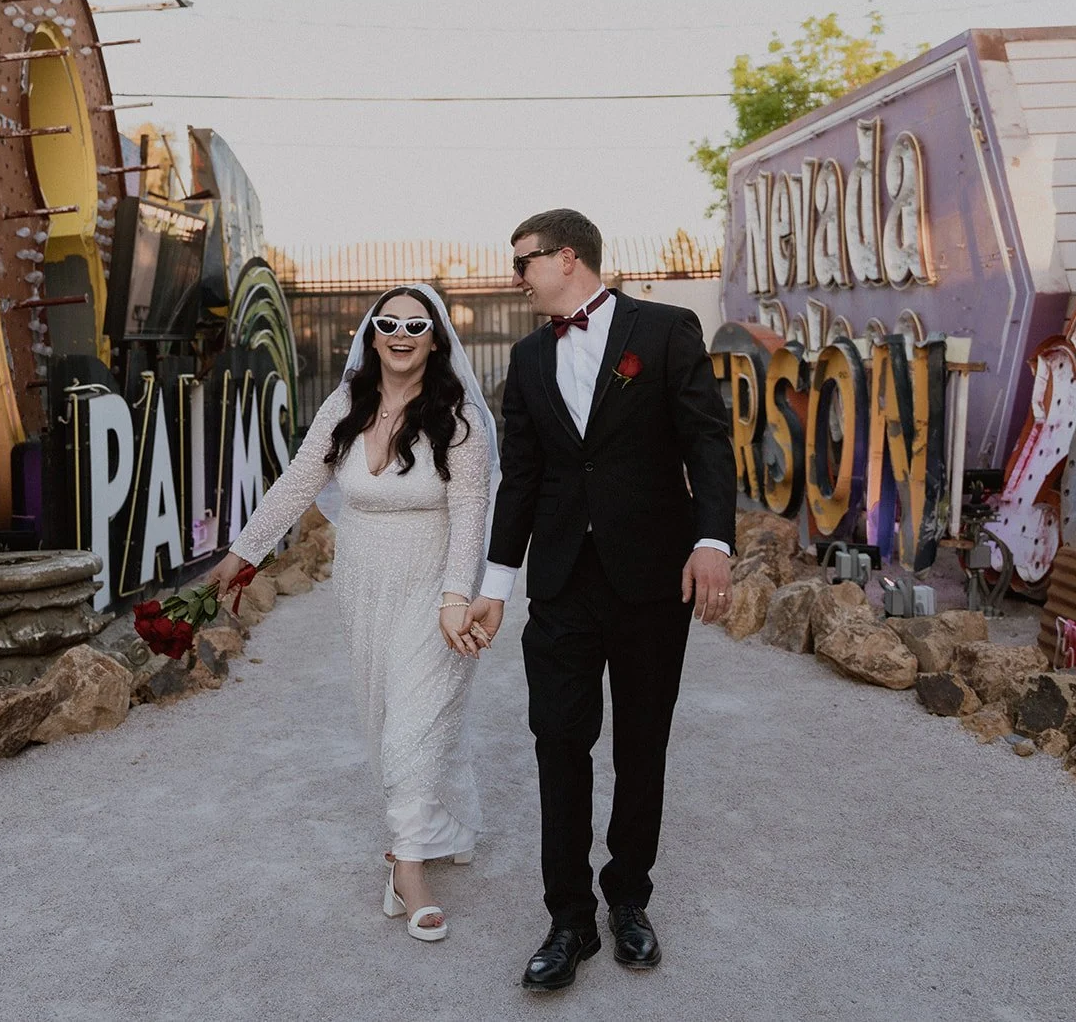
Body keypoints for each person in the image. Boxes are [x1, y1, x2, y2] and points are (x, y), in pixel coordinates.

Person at [467, 209, 736, 990]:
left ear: (569, 257)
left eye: (524, 260)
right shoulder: (525, 357)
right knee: (558, 741)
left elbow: (706, 440)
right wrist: (494, 585)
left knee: (642, 741)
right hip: (561, 584)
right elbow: (522, 475)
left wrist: (712, 540)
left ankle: (630, 899)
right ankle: (567, 918)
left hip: (653, 578)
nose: (516, 275)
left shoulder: (665, 331)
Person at [210, 284, 496, 943]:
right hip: (364, 584)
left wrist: (457, 595)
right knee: (384, 715)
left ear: (435, 338)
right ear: (371, 335)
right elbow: (297, 483)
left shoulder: (460, 419)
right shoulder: (344, 405)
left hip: (436, 588)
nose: (400, 333)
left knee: (415, 722)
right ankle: (435, 824)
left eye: (415, 325)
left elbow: (471, 511)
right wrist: (244, 552)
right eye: (387, 322)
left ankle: (408, 867)